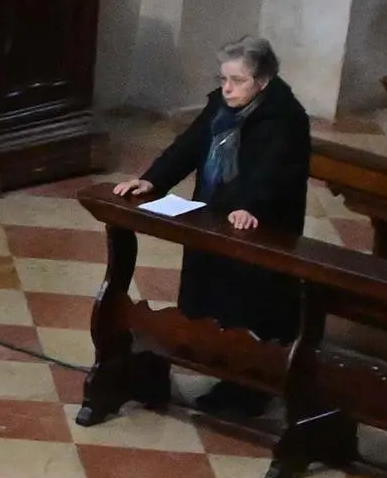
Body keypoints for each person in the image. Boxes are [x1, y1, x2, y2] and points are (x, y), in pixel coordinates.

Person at [109, 36, 314, 414]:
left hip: (262, 223)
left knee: (247, 300)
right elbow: (188, 145)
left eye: (237, 80)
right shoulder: (222, 106)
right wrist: (153, 180)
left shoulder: (285, 119)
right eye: (223, 79)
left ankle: (251, 383)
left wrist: (251, 206)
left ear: (263, 82)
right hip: (214, 214)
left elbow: (276, 169)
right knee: (208, 292)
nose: (227, 88)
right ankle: (208, 358)